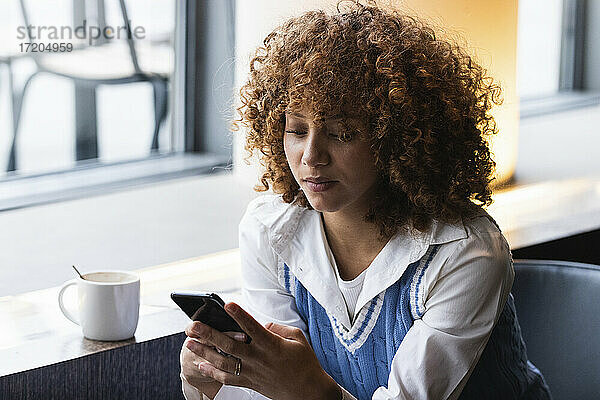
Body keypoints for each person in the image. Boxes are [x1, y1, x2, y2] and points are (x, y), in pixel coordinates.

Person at [179, 2, 552, 399]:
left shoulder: (464, 252)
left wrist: (310, 390)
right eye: (296, 129)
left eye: (341, 133)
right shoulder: (271, 231)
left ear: (398, 138)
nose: (311, 157)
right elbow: (271, 387)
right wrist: (207, 383)